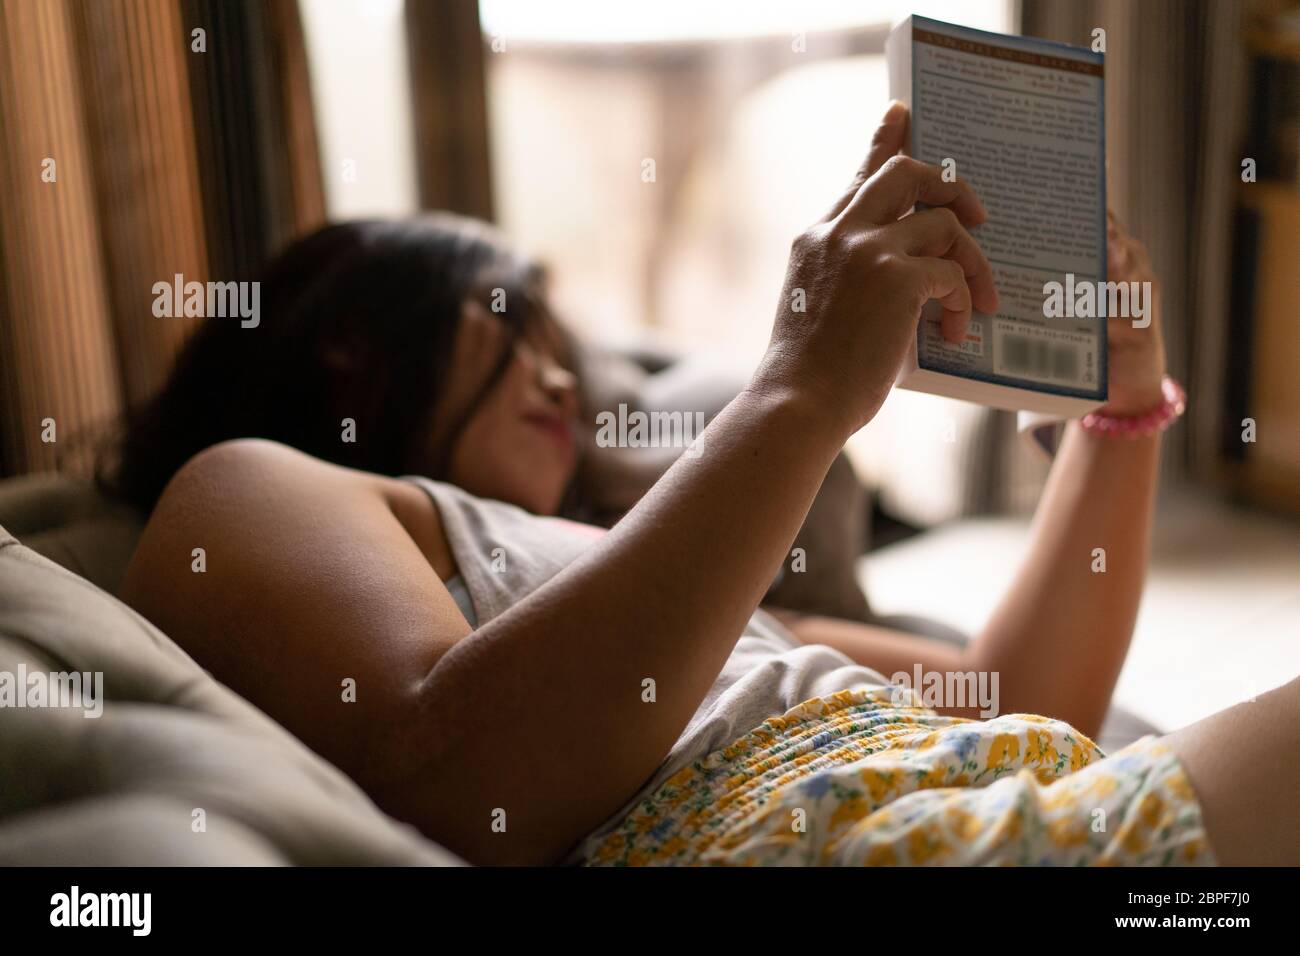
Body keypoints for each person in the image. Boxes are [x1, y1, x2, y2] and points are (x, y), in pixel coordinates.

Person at [117, 103, 1293, 866]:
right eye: (503, 329)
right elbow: (456, 788)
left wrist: (1118, 413)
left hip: (1015, 800)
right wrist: (797, 391)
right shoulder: (251, 489)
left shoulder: (621, 561)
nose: (554, 377)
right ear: (355, 348)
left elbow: (1027, 690)